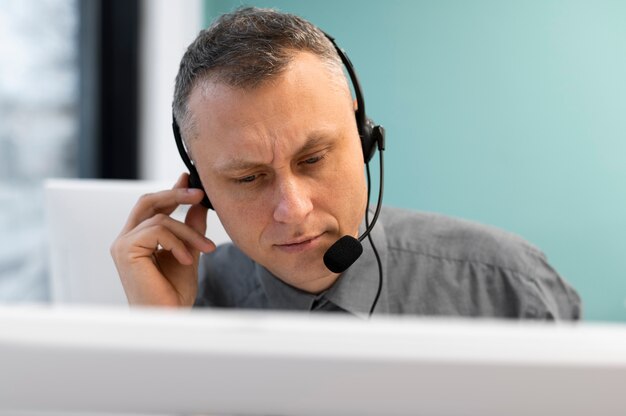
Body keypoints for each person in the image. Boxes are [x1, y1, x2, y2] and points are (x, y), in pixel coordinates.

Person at [111, 7, 581, 319]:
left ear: (363, 138)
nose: (292, 210)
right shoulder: (182, 308)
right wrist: (163, 337)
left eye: (313, 158)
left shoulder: (507, 286)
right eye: (249, 177)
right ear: (203, 189)